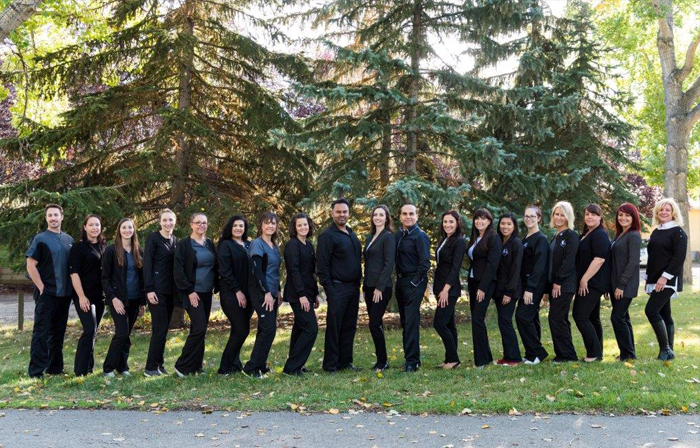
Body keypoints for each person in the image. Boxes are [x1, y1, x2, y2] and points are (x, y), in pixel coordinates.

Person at [26, 204, 74, 378]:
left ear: (62, 217)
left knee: (58, 333)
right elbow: (31, 265)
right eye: (50, 215)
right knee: (41, 332)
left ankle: (55, 368)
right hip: (46, 294)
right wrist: (41, 287)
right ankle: (36, 371)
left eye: (56, 215)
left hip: (64, 295)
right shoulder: (40, 239)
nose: (53, 218)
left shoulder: (69, 240)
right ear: (46, 218)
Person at [317, 199, 362, 373]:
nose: (342, 214)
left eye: (344, 211)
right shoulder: (327, 236)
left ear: (348, 213)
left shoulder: (351, 233)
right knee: (334, 327)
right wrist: (330, 289)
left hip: (353, 288)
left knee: (349, 326)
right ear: (332, 213)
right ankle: (330, 365)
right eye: (338, 212)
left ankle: (345, 362)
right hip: (337, 288)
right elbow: (322, 267)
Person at [173, 213, 218, 376]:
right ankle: (181, 365)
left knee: (200, 329)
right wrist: (189, 291)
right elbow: (178, 271)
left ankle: (196, 365)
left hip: (207, 293)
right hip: (192, 293)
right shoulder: (184, 245)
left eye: (204, 223)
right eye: (198, 222)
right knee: (199, 328)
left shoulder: (209, 243)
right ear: (191, 224)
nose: (201, 225)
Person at [645, 198, 687, 361]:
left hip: (668, 279)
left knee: (651, 311)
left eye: (667, 210)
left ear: (673, 213)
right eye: (661, 210)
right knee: (665, 313)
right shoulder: (656, 231)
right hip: (654, 278)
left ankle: (665, 349)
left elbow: (679, 258)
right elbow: (652, 257)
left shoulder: (678, 232)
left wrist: (664, 277)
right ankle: (669, 351)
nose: (664, 212)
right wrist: (648, 279)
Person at [102, 218, 145, 377]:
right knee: (121, 333)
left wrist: (142, 303)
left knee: (127, 334)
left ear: (134, 230)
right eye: (124, 227)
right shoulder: (111, 251)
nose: (127, 230)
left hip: (135, 299)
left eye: (130, 227)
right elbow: (105, 278)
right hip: (118, 299)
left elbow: (142, 279)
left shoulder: (138, 251)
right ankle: (108, 368)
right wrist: (113, 298)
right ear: (119, 230)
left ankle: (122, 367)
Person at [243, 212, 283, 377]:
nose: (270, 226)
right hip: (261, 292)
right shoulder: (257, 244)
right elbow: (257, 271)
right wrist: (266, 292)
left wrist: (278, 290)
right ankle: (251, 368)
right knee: (268, 329)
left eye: (273, 223)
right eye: (267, 223)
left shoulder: (274, 245)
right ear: (261, 225)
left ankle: (259, 365)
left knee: (265, 329)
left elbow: (275, 271)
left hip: (272, 292)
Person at [283, 213, 320, 376]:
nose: (303, 227)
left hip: (308, 293)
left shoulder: (308, 245)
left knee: (299, 328)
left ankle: (297, 365)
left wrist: (315, 294)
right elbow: (294, 271)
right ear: (294, 227)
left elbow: (311, 272)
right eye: (299, 225)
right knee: (311, 328)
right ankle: (292, 367)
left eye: (305, 224)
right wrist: (302, 295)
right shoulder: (292, 245)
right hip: (298, 294)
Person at [394, 204, 431, 372]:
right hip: (401, 281)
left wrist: (414, 283)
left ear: (417, 216)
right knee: (405, 322)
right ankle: (410, 357)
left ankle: (412, 362)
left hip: (414, 282)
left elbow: (425, 263)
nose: (408, 216)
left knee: (411, 322)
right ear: (400, 216)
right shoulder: (398, 235)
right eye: (405, 214)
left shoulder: (420, 236)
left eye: (411, 213)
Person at [69, 214, 106, 376]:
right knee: (89, 330)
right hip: (84, 296)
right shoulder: (78, 248)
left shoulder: (104, 246)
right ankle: (80, 370)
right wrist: (81, 296)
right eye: (91, 225)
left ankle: (89, 368)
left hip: (100, 296)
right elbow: (74, 274)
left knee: (94, 331)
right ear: (85, 227)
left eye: (97, 225)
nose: (94, 228)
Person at [143, 209, 178, 376]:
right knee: (160, 328)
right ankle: (150, 367)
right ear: (159, 222)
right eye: (164, 220)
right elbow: (147, 264)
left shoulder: (175, 240)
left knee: (163, 329)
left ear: (175, 222)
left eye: (170, 220)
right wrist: (149, 289)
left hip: (170, 291)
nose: (168, 223)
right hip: (156, 291)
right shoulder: (153, 238)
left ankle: (159, 364)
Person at [573, 204, 610, 362]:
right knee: (593, 318)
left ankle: (593, 353)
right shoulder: (587, 233)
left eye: (593, 214)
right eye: (587, 214)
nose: (589, 217)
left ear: (600, 217)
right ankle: (597, 353)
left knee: (580, 316)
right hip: (590, 282)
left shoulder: (599, 234)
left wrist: (584, 279)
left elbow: (599, 259)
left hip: (592, 283)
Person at [467, 209, 502, 368]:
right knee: (476, 319)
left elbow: (492, 265)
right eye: (477, 219)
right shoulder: (475, 238)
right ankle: (486, 357)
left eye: (483, 219)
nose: (479, 221)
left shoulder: (494, 238)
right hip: (473, 282)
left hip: (485, 284)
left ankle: (481, 361)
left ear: (489, 221)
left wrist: (483, 287)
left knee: (477, 318)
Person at [217, 215, 252, 375]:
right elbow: (225, 271)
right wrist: (237, 291)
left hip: (248, 294)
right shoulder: (226, 245)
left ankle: (234, 364)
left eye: (241, 226)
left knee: (238, 330)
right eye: (235, 225)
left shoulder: (249, 245)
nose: (238, 228)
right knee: (241, 330)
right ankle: (224, 367)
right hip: (231, 294)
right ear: (230, 227)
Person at [363, 205, 395, 372]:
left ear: (386, 218)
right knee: (376, 323)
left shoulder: (388, 237)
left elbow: (389, 264)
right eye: (375, 214)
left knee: (374, 324)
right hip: (369, 286)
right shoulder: (370, 237)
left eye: (381, 215)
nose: (377, 217)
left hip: (381, 288)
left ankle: (382, 361)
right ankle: (381, 360)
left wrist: (380, 288)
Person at [516, 205, 550, 365]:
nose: (529, 219)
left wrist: (530, 288)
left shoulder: (540, 239)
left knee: (522, 316)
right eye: (526, 216)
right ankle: (531, 354)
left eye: (532, 216)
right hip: (525, 285)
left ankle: (538, 352)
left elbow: (539, 266)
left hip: (534, 286)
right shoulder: (526, 239)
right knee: (532, 318)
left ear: (539, 219)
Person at [432, 210, 466, 370]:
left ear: (457, 223)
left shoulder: (459, 241)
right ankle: (449, 360)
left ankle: (454, 359)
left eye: (451, 222)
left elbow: (455, 267)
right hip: (441, 287)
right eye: (445, 221)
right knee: (449, 324)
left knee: (439, 323)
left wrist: (446, 289)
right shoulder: (445, 239)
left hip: (449, 289)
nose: (447, 224)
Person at [548, 201, 579, 363]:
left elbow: (568, 261)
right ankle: (565, 353)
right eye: (556, 214)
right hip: (556, 284)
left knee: (556, 318)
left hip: (564, 284)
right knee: (559, 318)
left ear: (568, 217)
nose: (559, 218)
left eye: (562, 215)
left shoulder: (571, 236)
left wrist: (558, 281)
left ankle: (567, 355)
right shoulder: (556, 236)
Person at [609, 203, 641, 361]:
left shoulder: (633, 235)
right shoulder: (620, 234)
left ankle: (627, 354)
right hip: (615, 284)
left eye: (627, 215)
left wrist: (621, 285)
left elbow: (633, 262)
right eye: (620, 215)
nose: (623, 218)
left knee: (616, 318)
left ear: (633, 217)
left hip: (625, 285)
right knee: (623, 318)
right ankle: (629, 353)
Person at [493, 213, 523, 365]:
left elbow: (515, 269)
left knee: (505, 321)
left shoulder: (516, 243)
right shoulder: (499, 241)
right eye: (503, 223)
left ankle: (514, 357)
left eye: (509, 224)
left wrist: (509, 292)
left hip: (510, 291)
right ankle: (507, 355)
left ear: (514, 226)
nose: (505, 227)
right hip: (499, 289)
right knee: (502, 322)